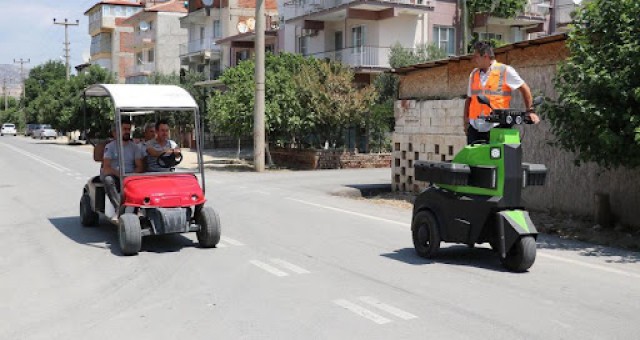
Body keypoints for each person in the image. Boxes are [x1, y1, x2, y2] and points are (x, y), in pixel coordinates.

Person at [464, 41, 540, 144]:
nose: (473, 60)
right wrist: (466, 122)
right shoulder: (474, 74)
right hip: (475, 128)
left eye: (476, 56)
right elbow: (469, 99)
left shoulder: (505, 70)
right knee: (472, 159)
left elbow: (524, 88)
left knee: (497, 159)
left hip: (497, 127)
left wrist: (530, 111)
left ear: (485, 57)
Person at [101, 118, 144, 209]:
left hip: (130, 177)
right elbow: (106, 168)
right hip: (116, 176)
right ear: (118, 131)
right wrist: (121, 175)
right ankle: (119, 209)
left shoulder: (135, 147)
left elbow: (140, 167)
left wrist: (130, 176)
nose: (127, 132)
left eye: (129, 129)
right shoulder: (110, 147)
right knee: (108, 180)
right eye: (124, 129)